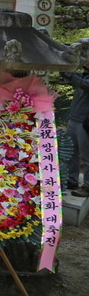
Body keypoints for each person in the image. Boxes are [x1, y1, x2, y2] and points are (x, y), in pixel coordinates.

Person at [64, 63, 89, 196]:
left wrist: (71, 72)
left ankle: (87, 186)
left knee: (86, 157)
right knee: (72, 152)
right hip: (73, 119)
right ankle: (71, 180)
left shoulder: (83, 80)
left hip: (85, 123)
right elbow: (68, 75)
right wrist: (64, 67)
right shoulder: (82, 76)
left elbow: (83, 84)